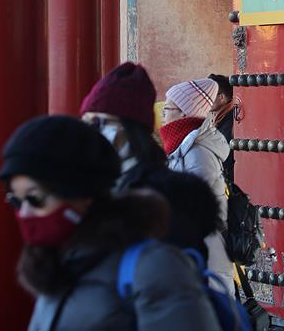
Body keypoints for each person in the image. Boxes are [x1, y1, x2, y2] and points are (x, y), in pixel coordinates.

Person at [0, 114, 233, 331]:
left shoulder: (153, 268)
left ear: (81, 192)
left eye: (35, 198)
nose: (25, 213)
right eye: (16, 202)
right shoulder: (55, 269)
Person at [80, 61, 220, 258]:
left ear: (128, 127)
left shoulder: (169, 193)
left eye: (98, 122)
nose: (91, 131)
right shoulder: (106, 180)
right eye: (86, 122)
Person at [160, 77, 235, 294]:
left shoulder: (196, 152)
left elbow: (196, 207)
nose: (163, 114)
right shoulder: (184, 147)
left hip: (205, 252)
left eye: (168, 108)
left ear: (183, 112)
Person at [210, 73, 235, 183]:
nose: (207, 99)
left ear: (222, 97)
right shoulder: (219, 118)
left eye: (210, 95)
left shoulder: (232, 121)